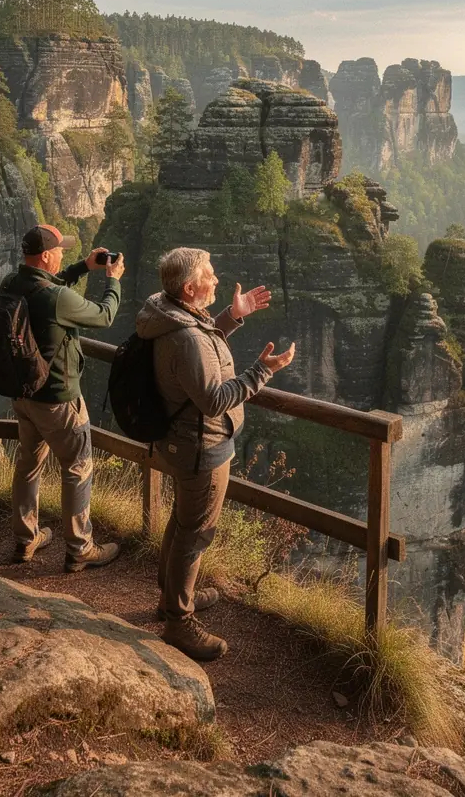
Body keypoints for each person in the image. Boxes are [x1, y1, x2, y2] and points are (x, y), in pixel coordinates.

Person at [136, 247, 296, 661]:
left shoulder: (170, 313)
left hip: (181, 440)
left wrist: (231, 316)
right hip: (201, 445)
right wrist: (264, 371)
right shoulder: (185, 336)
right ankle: (179, 622)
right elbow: (212, 398)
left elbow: (199, 353)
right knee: (197, 532)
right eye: (210, 274)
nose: (217, 279)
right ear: (190, 288)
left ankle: (170, 598)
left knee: (184, 521)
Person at [3, 224, 125, 571]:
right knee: (77, 467)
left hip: (22, 394)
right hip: (58, 397)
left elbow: (50, 288)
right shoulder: (56, 299)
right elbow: (104, 316)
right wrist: (112, 279)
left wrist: (83, 267)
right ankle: (79, 547)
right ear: (45, 256)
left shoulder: (11, 283)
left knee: (28, 466)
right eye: (60, 252)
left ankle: (26, 541)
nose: (63, 255)